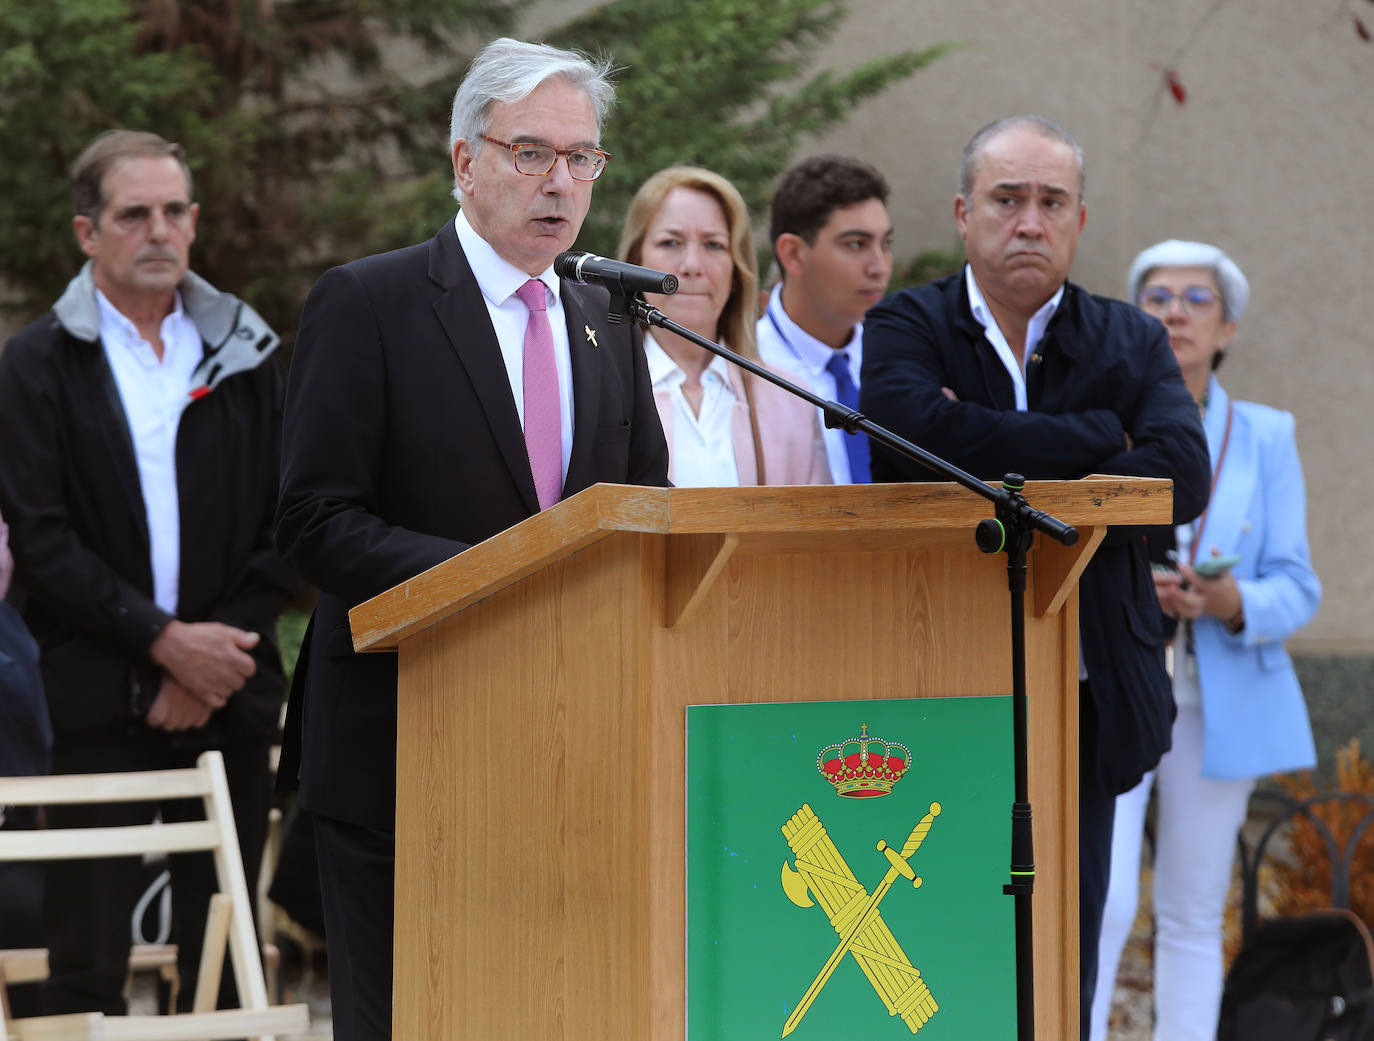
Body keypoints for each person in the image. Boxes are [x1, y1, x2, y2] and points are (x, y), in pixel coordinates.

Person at [274, 37, 670, 1041]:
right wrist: (501, 579)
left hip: (571, 753)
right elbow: (315, 521)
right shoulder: (371, 303)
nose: (561, 183)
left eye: (583, 160)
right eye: (531, 152)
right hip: (406, 751)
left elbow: (646, 508)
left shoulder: (606, 321)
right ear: (465, 159)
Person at [858, 115, 1212, 1037]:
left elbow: (1182, 474)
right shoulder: (906, 323)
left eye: (1051, 202)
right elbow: (904, 443)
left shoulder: (1129, 338)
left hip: (1088, 692)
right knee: (940, 933)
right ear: (965, 212)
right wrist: (1102, 438)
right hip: (941, 684)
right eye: (1007, 199)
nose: (1029, 221)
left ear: (1080, 219)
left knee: (1074, 934)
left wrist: (971, 437)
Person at [0, 129, 290, 1015]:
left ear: (195, 222)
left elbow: (293, 518)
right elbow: (40, 542)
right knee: (83, 974)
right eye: (134, 214)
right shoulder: (35, 365)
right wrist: (163, 645)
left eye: (174, 211)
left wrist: (210, 660)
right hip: (92, 701)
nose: (158, 229)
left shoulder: (249, 353)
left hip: (231, 690)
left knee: (225, 972)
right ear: (89, 233)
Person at [1089, 241, 1321, 1041]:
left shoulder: (1265, 434)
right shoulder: (1102, 423)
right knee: (1104, 900)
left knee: (1192, 908)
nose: (1176, 312)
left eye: (1196, 299)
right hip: (1114, 685)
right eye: (1156, 298)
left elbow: (1297, 584)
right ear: (1134, 323)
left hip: (1216, 702)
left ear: (1227, 328)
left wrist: (1228, 600)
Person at [617, 165, 829, 486]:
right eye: (671, 242)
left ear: (736, 271)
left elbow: (812, 533)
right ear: (635, 261)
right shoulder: (602, 393)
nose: (691, 266)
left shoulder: (791, 401)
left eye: (713, 244)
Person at [756, 155, 894, 484]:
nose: (879, 267)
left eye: (886, 244)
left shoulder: (901, 363)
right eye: (856, 244)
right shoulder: (743, 367)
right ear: (793, 254)